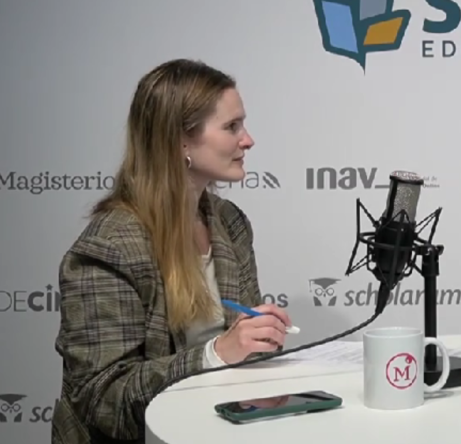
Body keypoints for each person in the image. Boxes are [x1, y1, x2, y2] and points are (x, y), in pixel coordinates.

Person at [52, 59, 293, 444]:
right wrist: (216, 354)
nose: (248, 140)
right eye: (231, 127)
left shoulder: (230, 222)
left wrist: (256, 343)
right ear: (180, 140)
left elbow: (240, 359)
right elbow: (103, 401)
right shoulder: (109, 247)